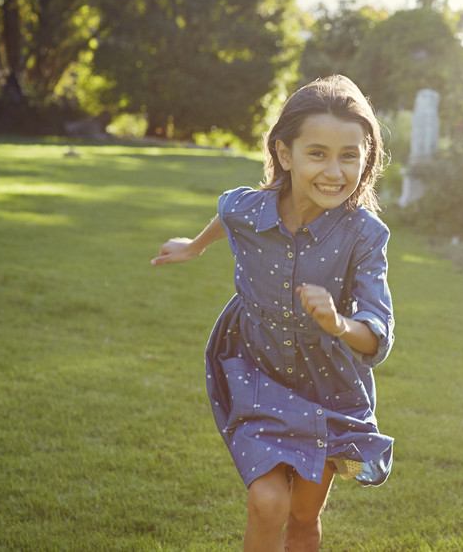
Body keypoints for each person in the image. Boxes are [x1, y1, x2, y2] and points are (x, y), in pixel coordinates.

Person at [152, 75, 395, 552]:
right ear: (285, 154)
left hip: (328, 386)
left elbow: (376, 336)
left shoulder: (365, 234)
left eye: (350, 155)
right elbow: (227, 214)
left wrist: (339, 324)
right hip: (256, 370)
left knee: (303, 517)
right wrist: (194, 247)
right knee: (267, 502)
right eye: (317, 153)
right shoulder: (251, 209)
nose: (334, 171)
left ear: (366, 157)